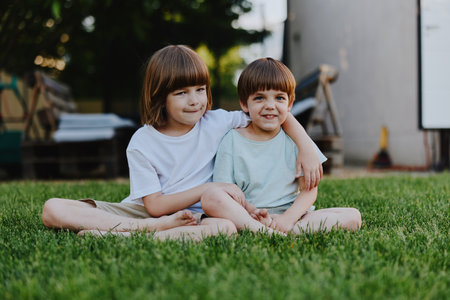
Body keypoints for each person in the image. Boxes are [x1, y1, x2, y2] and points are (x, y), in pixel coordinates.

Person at [41, 45, 324, 241]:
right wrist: (205, 189)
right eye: (182, 93)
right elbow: (153, 205)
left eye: (200, 90)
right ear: (159, 96)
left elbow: (271, 113)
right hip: (145, 214)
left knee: (224, 227)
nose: (195, 101)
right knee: (53, 209)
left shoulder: (216, 122)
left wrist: (307, 146)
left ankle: (121, 236)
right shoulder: (142, 141)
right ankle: (147, 231)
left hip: (195, 218)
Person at [201, 58, 361, 234]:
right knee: (212, 197)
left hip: (291, 216)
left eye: (279, 98)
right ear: (244, 104)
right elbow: (224, 192)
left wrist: (287, 218)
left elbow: (309, 190)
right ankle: (259, 228)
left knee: (353, 216)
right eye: (260, 98)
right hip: (246, 214)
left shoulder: (297, 141)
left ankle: (282, 229)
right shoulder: (231, 140)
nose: (270, 106)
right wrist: (251, 211)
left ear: (290, 103)